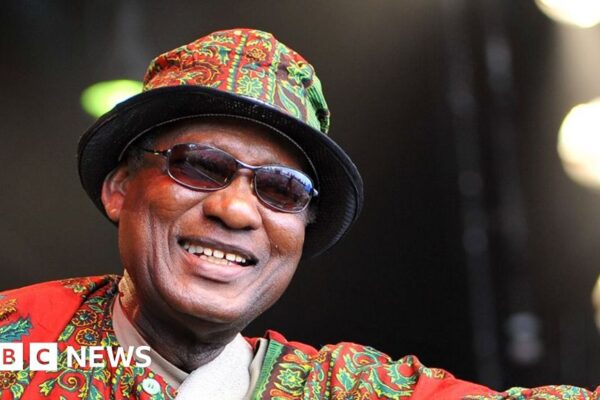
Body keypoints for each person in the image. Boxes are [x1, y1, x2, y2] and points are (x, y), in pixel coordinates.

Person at [0, 28, 596, 400]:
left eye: (282, 189)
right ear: (120, 189)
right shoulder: (17, 341)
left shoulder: (342, 391)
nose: (237, 209)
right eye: (201, 166)